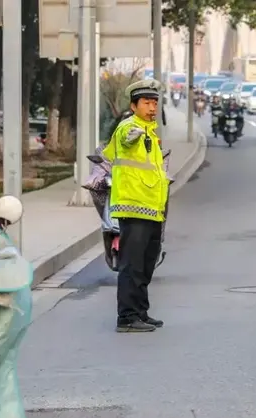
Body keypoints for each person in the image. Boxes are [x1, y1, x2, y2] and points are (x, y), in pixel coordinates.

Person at [102, 79, 169, 333]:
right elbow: (125, 140)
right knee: (132, 264)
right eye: (146, 103)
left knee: (146, 262)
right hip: (133, 206)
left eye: (154, 103)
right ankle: (127, 316)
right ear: (133, 105)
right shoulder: (128, 127)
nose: (152, 108)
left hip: (151, 208)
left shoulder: (150, 131)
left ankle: (141, 311)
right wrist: (132, 136)